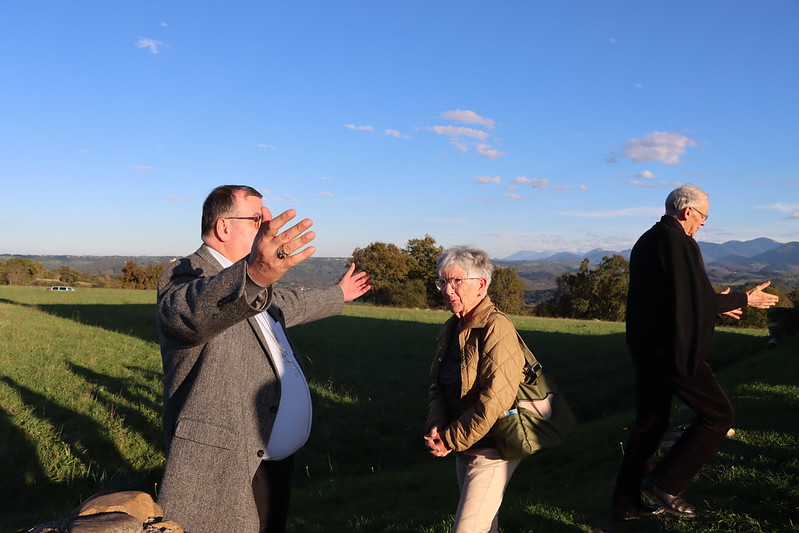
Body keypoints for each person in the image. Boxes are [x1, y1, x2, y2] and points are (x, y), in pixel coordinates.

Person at [156, 185, 371, 533]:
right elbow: (191, 313)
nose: (269, 228)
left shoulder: (258, 287)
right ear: (224, 227)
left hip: (271, 462)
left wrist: (339, 294)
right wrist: (254, 274)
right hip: (226, 466)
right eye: (258, 220)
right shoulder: (187, 274)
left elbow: (291, 304)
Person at [612, 184, 779, 521]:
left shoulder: (651, 239)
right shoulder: (678, 242)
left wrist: (718, 305)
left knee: (651, 425)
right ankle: (664, 483)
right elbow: (693, 301)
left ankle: (626, 507)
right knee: (718, 415)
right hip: (673, 350)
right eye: (704, 216)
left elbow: (683, 299)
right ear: (688, 212)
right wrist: (744, 299)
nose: (704, 223)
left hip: (648, 347)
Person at [424, 246, 526, 533]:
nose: (447, 290)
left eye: (456, 281)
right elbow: (437, 385)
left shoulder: (497, 328)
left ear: (481, 284)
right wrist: (437, 424)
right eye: (443, 282)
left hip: (494, 449)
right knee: (485, 526)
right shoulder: (452, 327)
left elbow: (495, 399)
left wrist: (450, 438)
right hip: (465, 444)